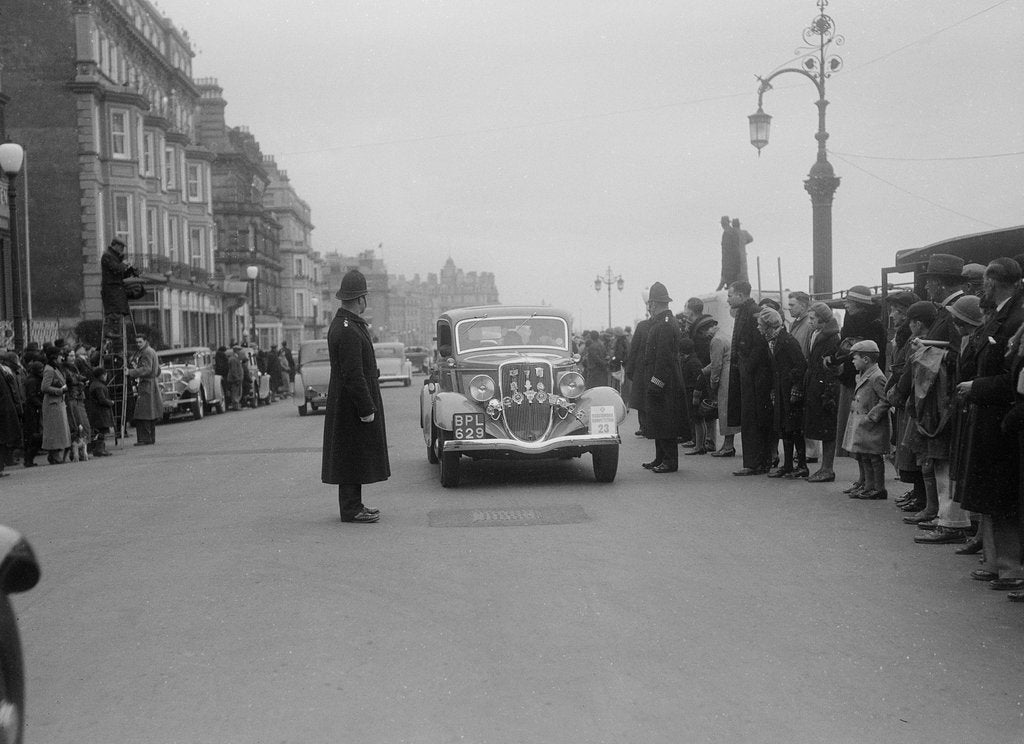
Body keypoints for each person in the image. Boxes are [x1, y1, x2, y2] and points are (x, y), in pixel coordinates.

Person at [954, 259, 1024, 587]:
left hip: (1002, 418)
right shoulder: (1003, 314)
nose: (982, 288)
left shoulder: (1016, 317)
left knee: (1003, 494)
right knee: (993, 493)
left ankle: (1011, 568)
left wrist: (977, 387)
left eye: (984, 281)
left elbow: (1013, 377)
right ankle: (998, 562)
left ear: (994, 282)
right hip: (989, 415)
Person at [321, 269, 389, 523]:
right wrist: (366, 407)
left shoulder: (344, 324)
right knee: (351, 455)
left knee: (354, 453)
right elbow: (353, 373)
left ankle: (355, 505)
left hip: (345, 401)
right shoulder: (349, 329)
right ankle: (351, 508)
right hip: (351, 403)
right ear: (360, 299)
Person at [727, 281, 774, 475]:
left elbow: (758, 345)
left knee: (753, 419)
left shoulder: (753, 312)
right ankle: (757, 461)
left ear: (740, 295)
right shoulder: (745, 311)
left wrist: (746, 368)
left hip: (754, 376)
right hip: (748, 374)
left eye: (730, 295)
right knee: (751, 418)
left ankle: (755, 463)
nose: (729, 299)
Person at [640, 282, 684, 473]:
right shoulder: (662, 322)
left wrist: (656, 383)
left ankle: (670, 460)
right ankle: (660, 457)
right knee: (658, 419)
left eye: (650, 304)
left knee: (666, 421)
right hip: (663, 378)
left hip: (664, 380)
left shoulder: (665, 325)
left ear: (653, 304)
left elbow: (664, 358)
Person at [759, 307, 808, 478]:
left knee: (794, 427)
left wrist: (796, 387)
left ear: (769, 326)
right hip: (781, 389)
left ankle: (801, 465)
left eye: (761, 325)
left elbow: (801, 365)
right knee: (785, 427)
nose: (759, 328)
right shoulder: (773, 341)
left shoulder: (787, 341)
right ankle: (788, 465)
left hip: (790, 390)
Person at [841, 340, 891, 499]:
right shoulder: (865, 374)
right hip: (864, 424)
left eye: (855, 358)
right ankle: (866, 484)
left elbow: (886, 400)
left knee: (874, 457)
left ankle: (877, 487)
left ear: (866, 360)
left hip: (871, 425)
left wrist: (872, 416)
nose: (853, 361)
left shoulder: (877, 377)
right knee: (863, 454)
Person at [803, 302, 842, 482]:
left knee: (827, 428)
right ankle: (824, 468)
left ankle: (827, 468)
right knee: (821, 426)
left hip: (827, 387)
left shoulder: (833, 337)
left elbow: (832, 365)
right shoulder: (816, 333)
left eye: (812, 318)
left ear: (822, 319)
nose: (809, 321)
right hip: (816, 384)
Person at [100, 238, 139, 338]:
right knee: (114, 310)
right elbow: (116, 269)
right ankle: (110, 331)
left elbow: (120, 274)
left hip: (116, 288)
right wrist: (124, 264)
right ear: (115, 245)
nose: (122, 250)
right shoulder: (107, 256)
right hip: (111, 288)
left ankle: (115, 331)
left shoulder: (115, 257)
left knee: (119, 309)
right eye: (121, 247)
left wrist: (130, 271)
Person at [126, 334, 161, 446]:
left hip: (147, 384)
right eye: (137, 342)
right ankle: (150, 438)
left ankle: (145, 439)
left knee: (143, 413)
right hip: (152, 383)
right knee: (149, 412)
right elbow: (157, 369)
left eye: (140, 342)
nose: (138, 344)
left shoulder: (146, 353)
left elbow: (146, 369)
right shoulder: (151, 351)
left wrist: (131, 372)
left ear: (145, 341)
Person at [40, 346, 71, 463]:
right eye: (59, 355)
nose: (61, 358)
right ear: (54, 357)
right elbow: (44, 387)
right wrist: (60, 391)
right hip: (52, 403)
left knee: (58, 429)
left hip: (57, 403)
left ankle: (55, 454)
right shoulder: (49, 369)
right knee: (55, 430)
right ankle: (54, 454)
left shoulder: (54, 368)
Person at [625, 309, 652, 437]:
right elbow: (634, 348)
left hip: (646, 368)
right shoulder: (643, 326)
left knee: (645, 398)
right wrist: (631, 368)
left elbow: (634, 349)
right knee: (642, 398)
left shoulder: (643, 326)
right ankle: (644, 426)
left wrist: (630, 369)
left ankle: (647, 426)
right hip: (642, 368)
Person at [85, 367, 115, 456]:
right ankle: (99, 449)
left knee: (101, 431)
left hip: (97, 412)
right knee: (102, 431)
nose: (106, 376)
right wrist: (111, 402)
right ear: (101, 375)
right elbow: (102, 399)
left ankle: (100, 448)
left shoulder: (94, 384)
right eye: (105, 375)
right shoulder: (98, 386)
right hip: (100, 412)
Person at [716, 216, 744, 291]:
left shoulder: (727, 233)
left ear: (723, 224)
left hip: (729, 267)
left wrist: (724, 273)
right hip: (735, 266)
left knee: (731, 290)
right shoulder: (734, 232)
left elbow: (726, 254)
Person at [787, 291, 814, 358]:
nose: (789, 308)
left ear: (803, 306)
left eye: (792, 305)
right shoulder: (792, 324)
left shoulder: (810, 325)